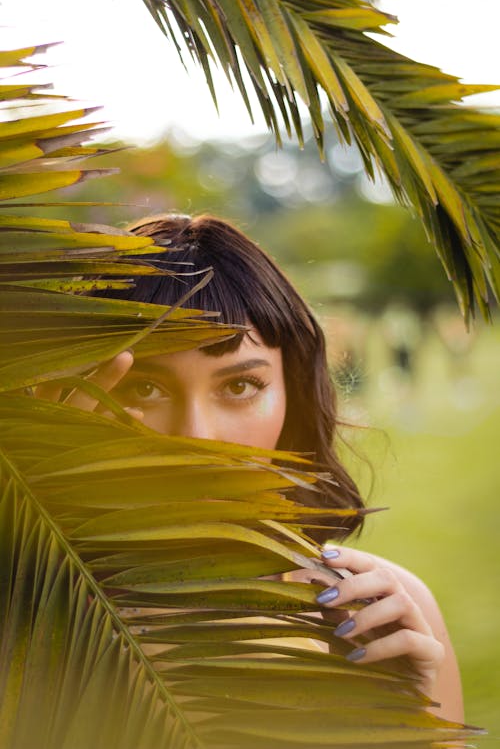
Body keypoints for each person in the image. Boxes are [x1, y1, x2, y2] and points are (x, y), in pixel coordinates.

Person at [34, 213, 463, 722]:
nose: (197, 437)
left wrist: (412, 720)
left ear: (294, 396)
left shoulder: (384, 614)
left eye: (239, 387)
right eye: (144, 388)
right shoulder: (33, 617)